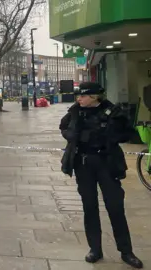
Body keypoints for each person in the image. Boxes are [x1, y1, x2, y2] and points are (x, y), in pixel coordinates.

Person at [59, 82, 143, 268]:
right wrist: (74, 135)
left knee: (115, 207)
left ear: (95, 97)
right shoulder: (75, 111)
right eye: (78, 96)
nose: (79, 99)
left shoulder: (113, 112)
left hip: (107, 163)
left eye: (83, 96)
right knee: (90, 207)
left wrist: (107, 137)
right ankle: (95, 249)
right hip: (83, 164)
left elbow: (127, 133)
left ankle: (126, 251)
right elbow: (63, 127)